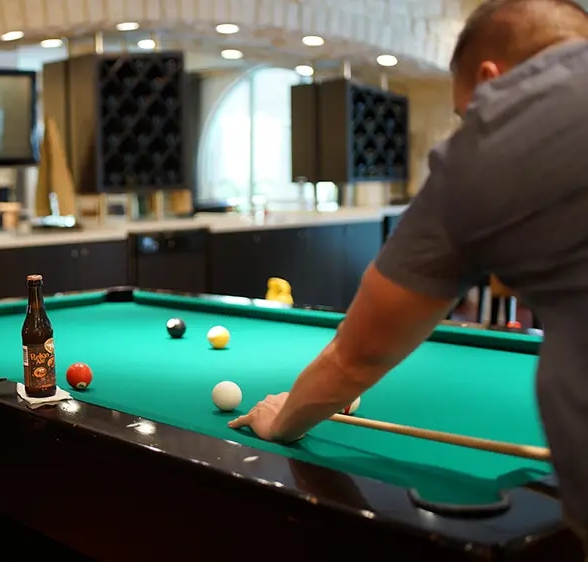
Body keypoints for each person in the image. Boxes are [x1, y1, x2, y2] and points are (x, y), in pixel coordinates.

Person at [228, 0, 588, 547]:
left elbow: (359, 355)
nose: (471, 122)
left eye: (465, 112)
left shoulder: (496, 133)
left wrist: (282, 420)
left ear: (490, 78)